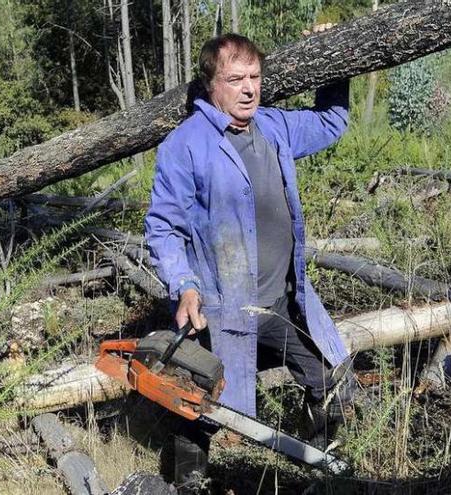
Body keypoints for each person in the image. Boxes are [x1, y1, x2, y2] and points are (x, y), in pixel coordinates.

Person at [144, 31, 355, 486]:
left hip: (282, 303)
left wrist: (338, 50)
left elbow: (332, 122)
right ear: (211, 86)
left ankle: (320, 470)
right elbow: (163, 228)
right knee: (201, 406)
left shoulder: (274, 126)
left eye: (255, 77)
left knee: (330, 379)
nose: (248, 88)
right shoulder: (185, 146)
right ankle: (191, 483)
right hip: (219, 311)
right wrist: (184, 285)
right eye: (235, 78)